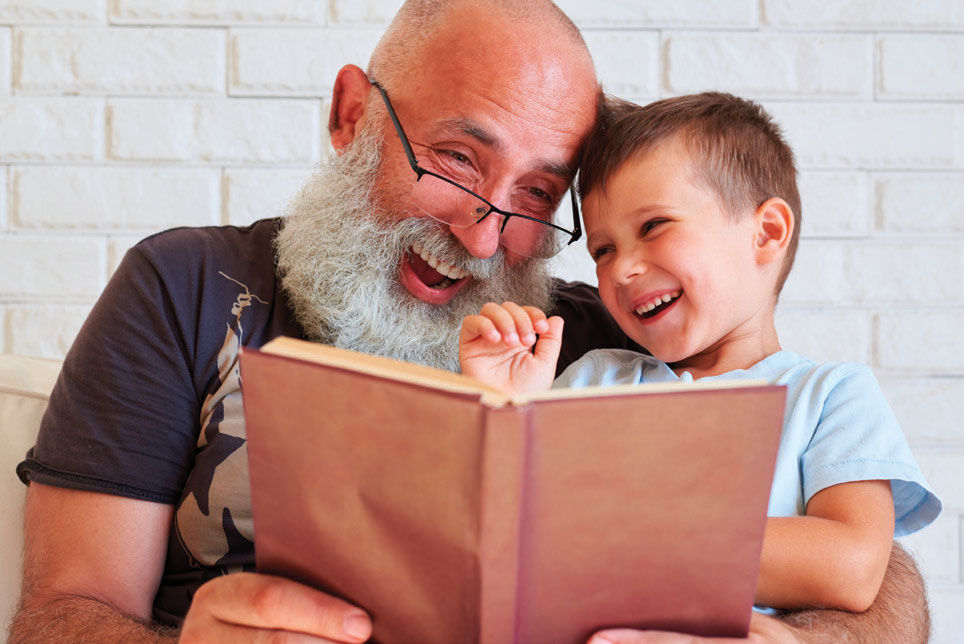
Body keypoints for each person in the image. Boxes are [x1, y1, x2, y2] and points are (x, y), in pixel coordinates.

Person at [9, 1, 932, 642]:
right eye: (455, 159)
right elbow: (59, 614)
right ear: (349, 115)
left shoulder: (612, 341)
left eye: (538, 193)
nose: (488, 234)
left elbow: (875, 572)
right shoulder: (188, 284)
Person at [460, 92, 941, 633]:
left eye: (653, 226)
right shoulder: (594, 378)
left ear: (766, 234)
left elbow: (850, 565)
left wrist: (632, 540)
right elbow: (508, 529)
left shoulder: (831, 397)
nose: (621, 271)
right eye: (603, 250)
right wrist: (507, 402)